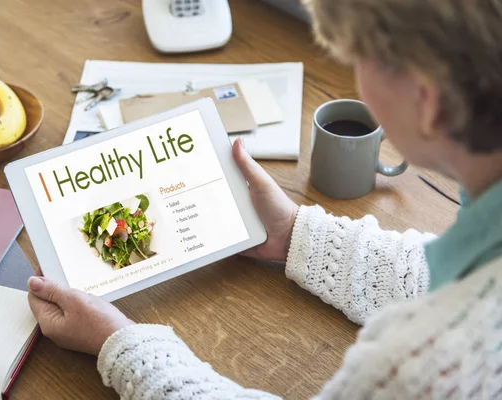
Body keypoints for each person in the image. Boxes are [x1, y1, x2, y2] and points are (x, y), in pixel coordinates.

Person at [26, 0, 502, 397]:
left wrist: (118, 344)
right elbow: (455, 279)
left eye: (359, 58)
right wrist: (297, 235)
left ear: (427, 101)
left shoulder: (423, 362)